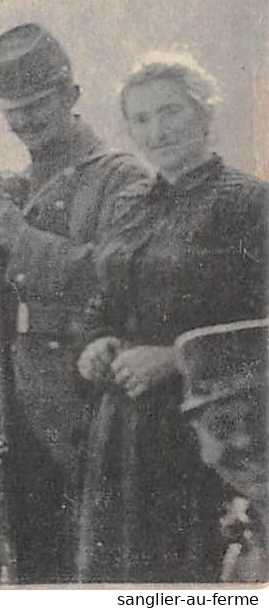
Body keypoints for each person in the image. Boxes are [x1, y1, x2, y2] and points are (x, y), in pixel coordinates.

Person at [0, 23, 149, 583]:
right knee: (29, 559)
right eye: (14, 110)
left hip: (84, 402)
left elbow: (117, 282)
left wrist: (21, 239)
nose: (26, 121)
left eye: (38, 105)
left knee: (90, 561)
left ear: (71, 96)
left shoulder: (119, 178)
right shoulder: (17, 185)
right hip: (13, 400)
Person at [75, 52, 268, 582]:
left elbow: (261, 328)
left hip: (211, 431)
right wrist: (98, 341)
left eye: (170, 113)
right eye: (140, 119)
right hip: (124, 426)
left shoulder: (249, 203)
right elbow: (103, 298)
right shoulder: (128, 203)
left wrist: (175, 358)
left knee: (192, 567)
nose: (156, 131)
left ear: (203, 115)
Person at [176, 318, 268, 582]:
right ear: (199, 437)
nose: (244, 441)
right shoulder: (238, 539)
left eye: (261, 420)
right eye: (221, 426)